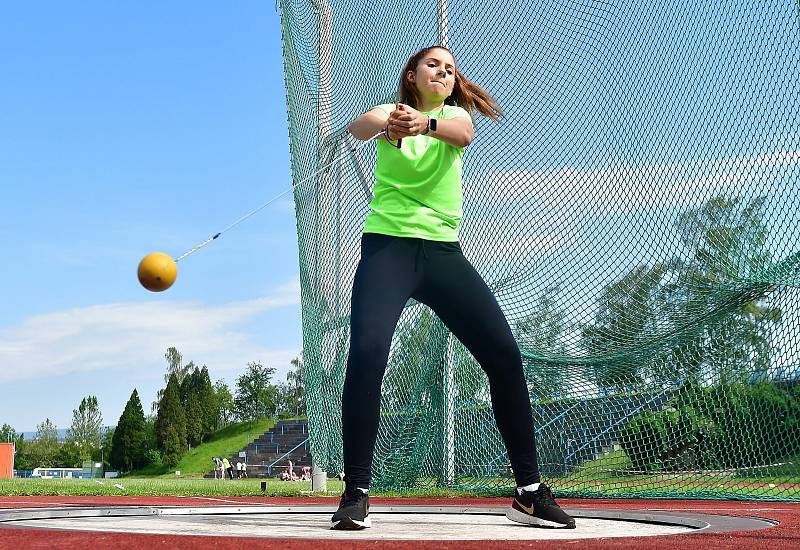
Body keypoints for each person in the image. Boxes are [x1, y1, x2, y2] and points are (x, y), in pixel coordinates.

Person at [330, 46, 576, 531]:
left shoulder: (455, 118)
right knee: (369, 352)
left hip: (443, 254)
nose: (443, 72)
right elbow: (361, 125)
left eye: (450, 68)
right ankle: (355, 491)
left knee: (504, 355)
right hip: (388, 249)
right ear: (412, 75)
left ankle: (529, 492)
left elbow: (463, 132)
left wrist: (423, 126)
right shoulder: (391, 113)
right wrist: (388, 123)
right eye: (432, 65)